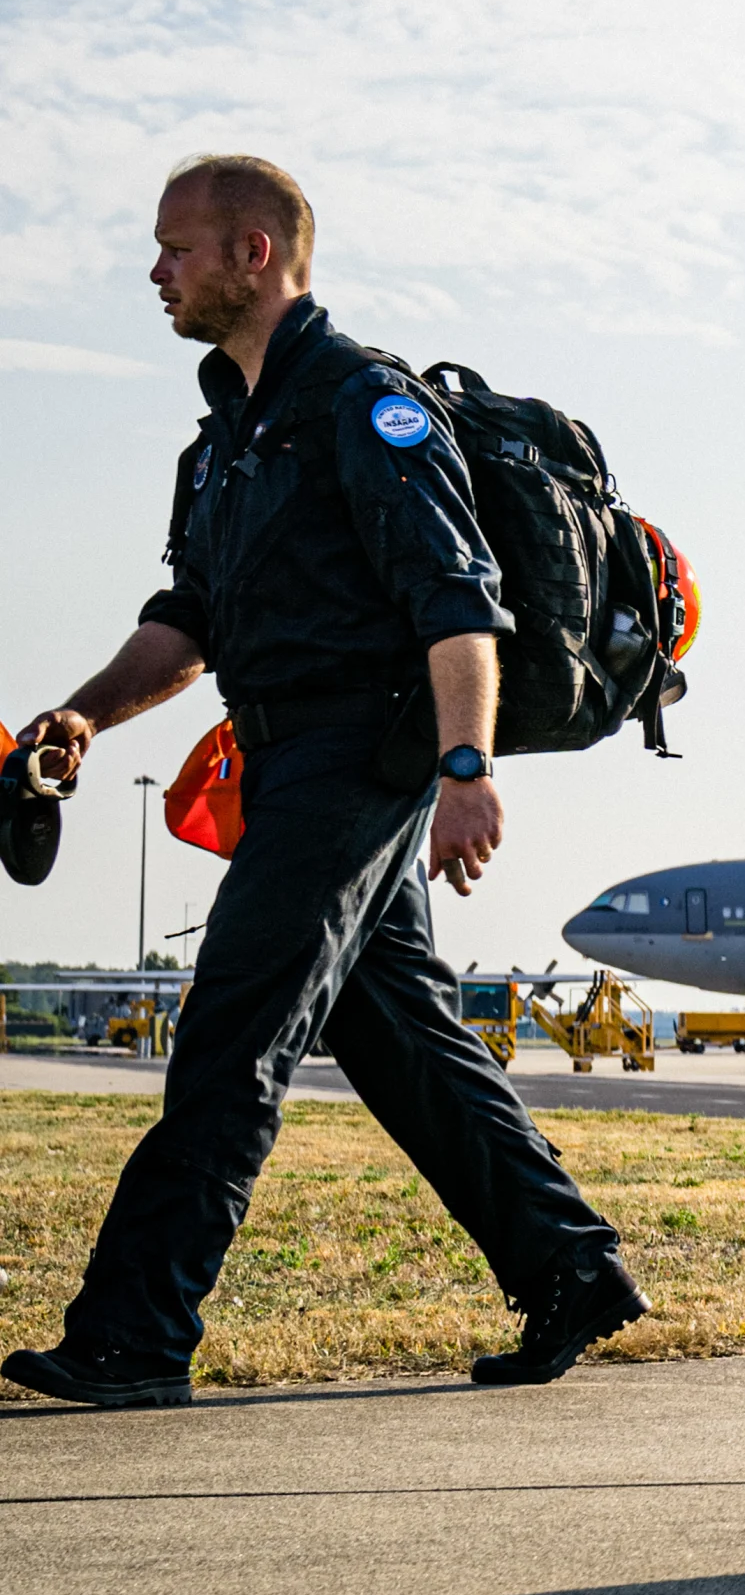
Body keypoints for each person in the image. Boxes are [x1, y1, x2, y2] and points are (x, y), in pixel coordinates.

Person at [3, 157, 646, 1411]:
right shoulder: (221, 444)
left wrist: (466, 768)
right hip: (290, 755)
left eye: (176, 247)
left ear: (254, 253)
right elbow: (187, 623)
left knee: (233, 1029)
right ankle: (569, 1266)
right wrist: (82, 713)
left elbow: (458, 604)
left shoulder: (366, 404)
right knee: (398, 1035)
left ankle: (137, 1333)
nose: (155, 271)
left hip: (362, 756)